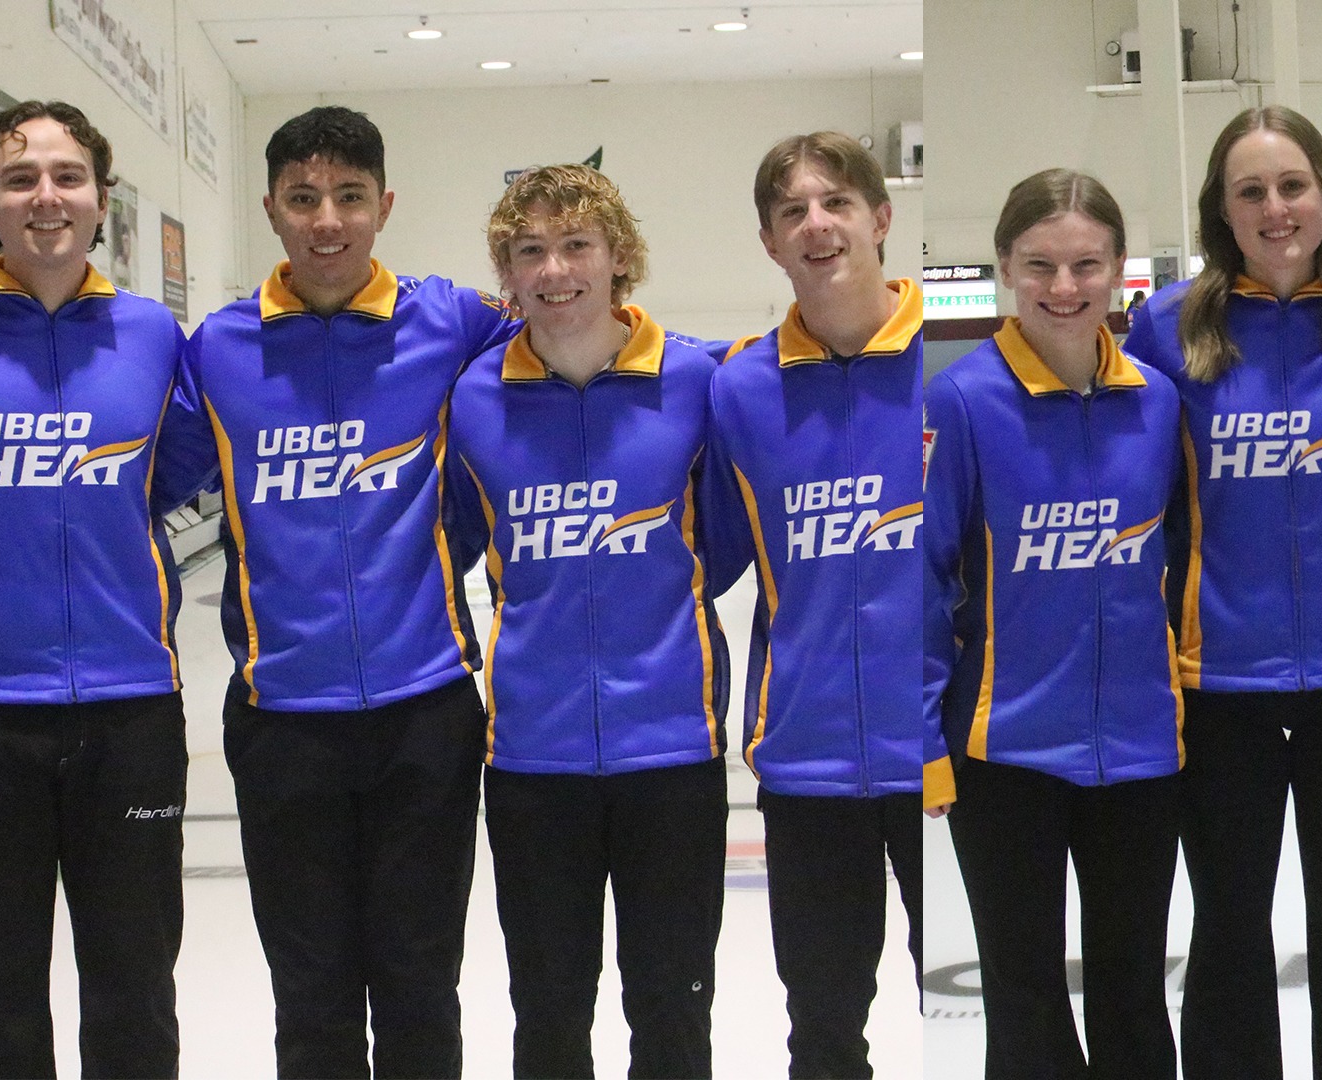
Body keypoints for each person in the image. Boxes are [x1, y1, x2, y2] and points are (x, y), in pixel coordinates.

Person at [155, 105, 516, 1079]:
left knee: (417, 989)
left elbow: (574, 344)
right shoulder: (218, 350)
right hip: (284, 725)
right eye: (304, 198)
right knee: (311, 1005)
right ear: (270, 209)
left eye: (349, 197)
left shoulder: (453, 325)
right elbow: (137, 476)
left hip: (427, 717)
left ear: (384, 205)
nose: (328, 221)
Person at [1122, 104, 1322, 1080]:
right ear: (1222, 210)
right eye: (1251, 190)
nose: (1276, 207)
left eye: (1292, 185)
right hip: (1215, 688)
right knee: (1232, 926)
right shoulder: (1166, 330)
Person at [444, 163, 727, 1080]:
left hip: (674, 754)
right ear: (508, 272)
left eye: (576, 245)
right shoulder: (473, 397)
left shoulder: (693, 380)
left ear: (618, 259)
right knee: (550, 1016)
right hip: (531, 759)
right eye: (531, 251)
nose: (555, 269)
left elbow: (727, 537)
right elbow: (453, 539)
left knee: (674, 1009)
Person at [924, 169, 1182, 1079]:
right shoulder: (958, 404)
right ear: (1004, 268)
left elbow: (1182, 561)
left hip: (1142, 754)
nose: (1063, 288)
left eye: (1086, 265)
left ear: (1120, 272)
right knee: (1025, 1004)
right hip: (1005, 757)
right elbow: (925, 582)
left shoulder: (1159, 401)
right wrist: (928, 738)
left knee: (1134, 998)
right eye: (1040, 265)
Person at [0, 99, 186, 1080]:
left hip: (132, 710)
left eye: (66, 177)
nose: (45, 197)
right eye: (20, 180)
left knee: (134, 988)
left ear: (102, 202)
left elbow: (174, 475)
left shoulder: (153, 336)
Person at [702, 130, 926, 1079]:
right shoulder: (740, 390)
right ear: (769, 242)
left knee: (977, 1003)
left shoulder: (959, 369)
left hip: (947, 759)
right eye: (792, 211)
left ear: (881, 217)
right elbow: (699, 557)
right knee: (825, 1031)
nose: (817, 224)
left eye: (836, 202)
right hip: (805, 762)